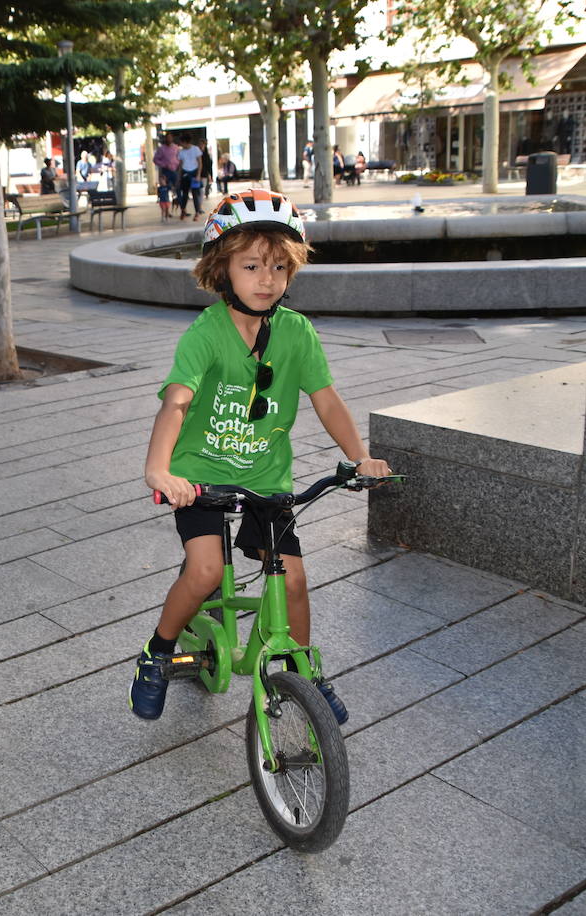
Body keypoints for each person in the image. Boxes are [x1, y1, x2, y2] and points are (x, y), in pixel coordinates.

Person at [128, 188, 391, 725]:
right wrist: (160, 469)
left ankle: (302, 667)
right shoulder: (206, 335)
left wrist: (360, 457)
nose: (266, 279)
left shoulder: (296, 333)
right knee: (203, 572)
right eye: (251, 265)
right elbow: (176, 402)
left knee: (292, 579)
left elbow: (327, 400)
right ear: (221, 269)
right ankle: (156, 651)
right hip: (199, 475)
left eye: (278, 266)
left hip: (266, 477)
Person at [176, 136, 205, 221]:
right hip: (185, 173)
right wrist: (179, 176)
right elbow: (180, 165)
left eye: (182, 142)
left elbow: (200, 162)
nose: (181, 144)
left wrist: (198, 174)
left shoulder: (195, 149)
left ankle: (197, 213)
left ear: (186, 142)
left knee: (195, 194)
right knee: (184, 194)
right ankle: (183, 210)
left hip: (194, 172)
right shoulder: (181, 152)